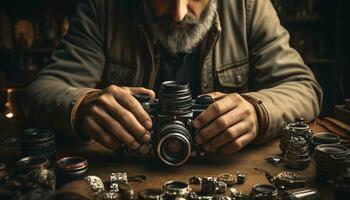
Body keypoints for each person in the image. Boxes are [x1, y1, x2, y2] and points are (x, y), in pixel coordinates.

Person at [24, 0, 323, 155]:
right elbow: (41, 90)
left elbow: (303, 87)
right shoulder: (103, 9)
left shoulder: (249, 7)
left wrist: (258, 111)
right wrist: (82, 106)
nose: (179, 14)